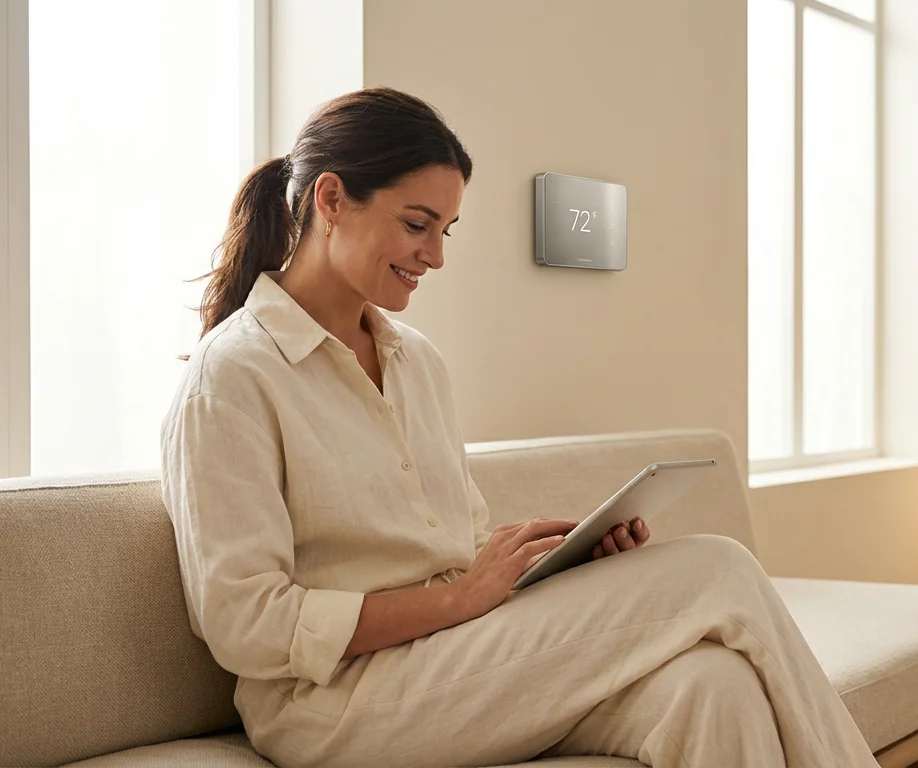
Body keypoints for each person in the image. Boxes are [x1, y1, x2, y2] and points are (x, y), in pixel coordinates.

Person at [160, 87, 879, 768]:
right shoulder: (233, 378)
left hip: (460, 653)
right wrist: (456, 600)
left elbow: (458, 546)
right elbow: (245, 623)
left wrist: (557, 567)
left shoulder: (419, 365)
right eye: (416, 224)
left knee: (713, 685)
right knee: (719, 569)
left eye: (445, 231)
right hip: (338, 701)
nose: (435, 256)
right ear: (331, 199)